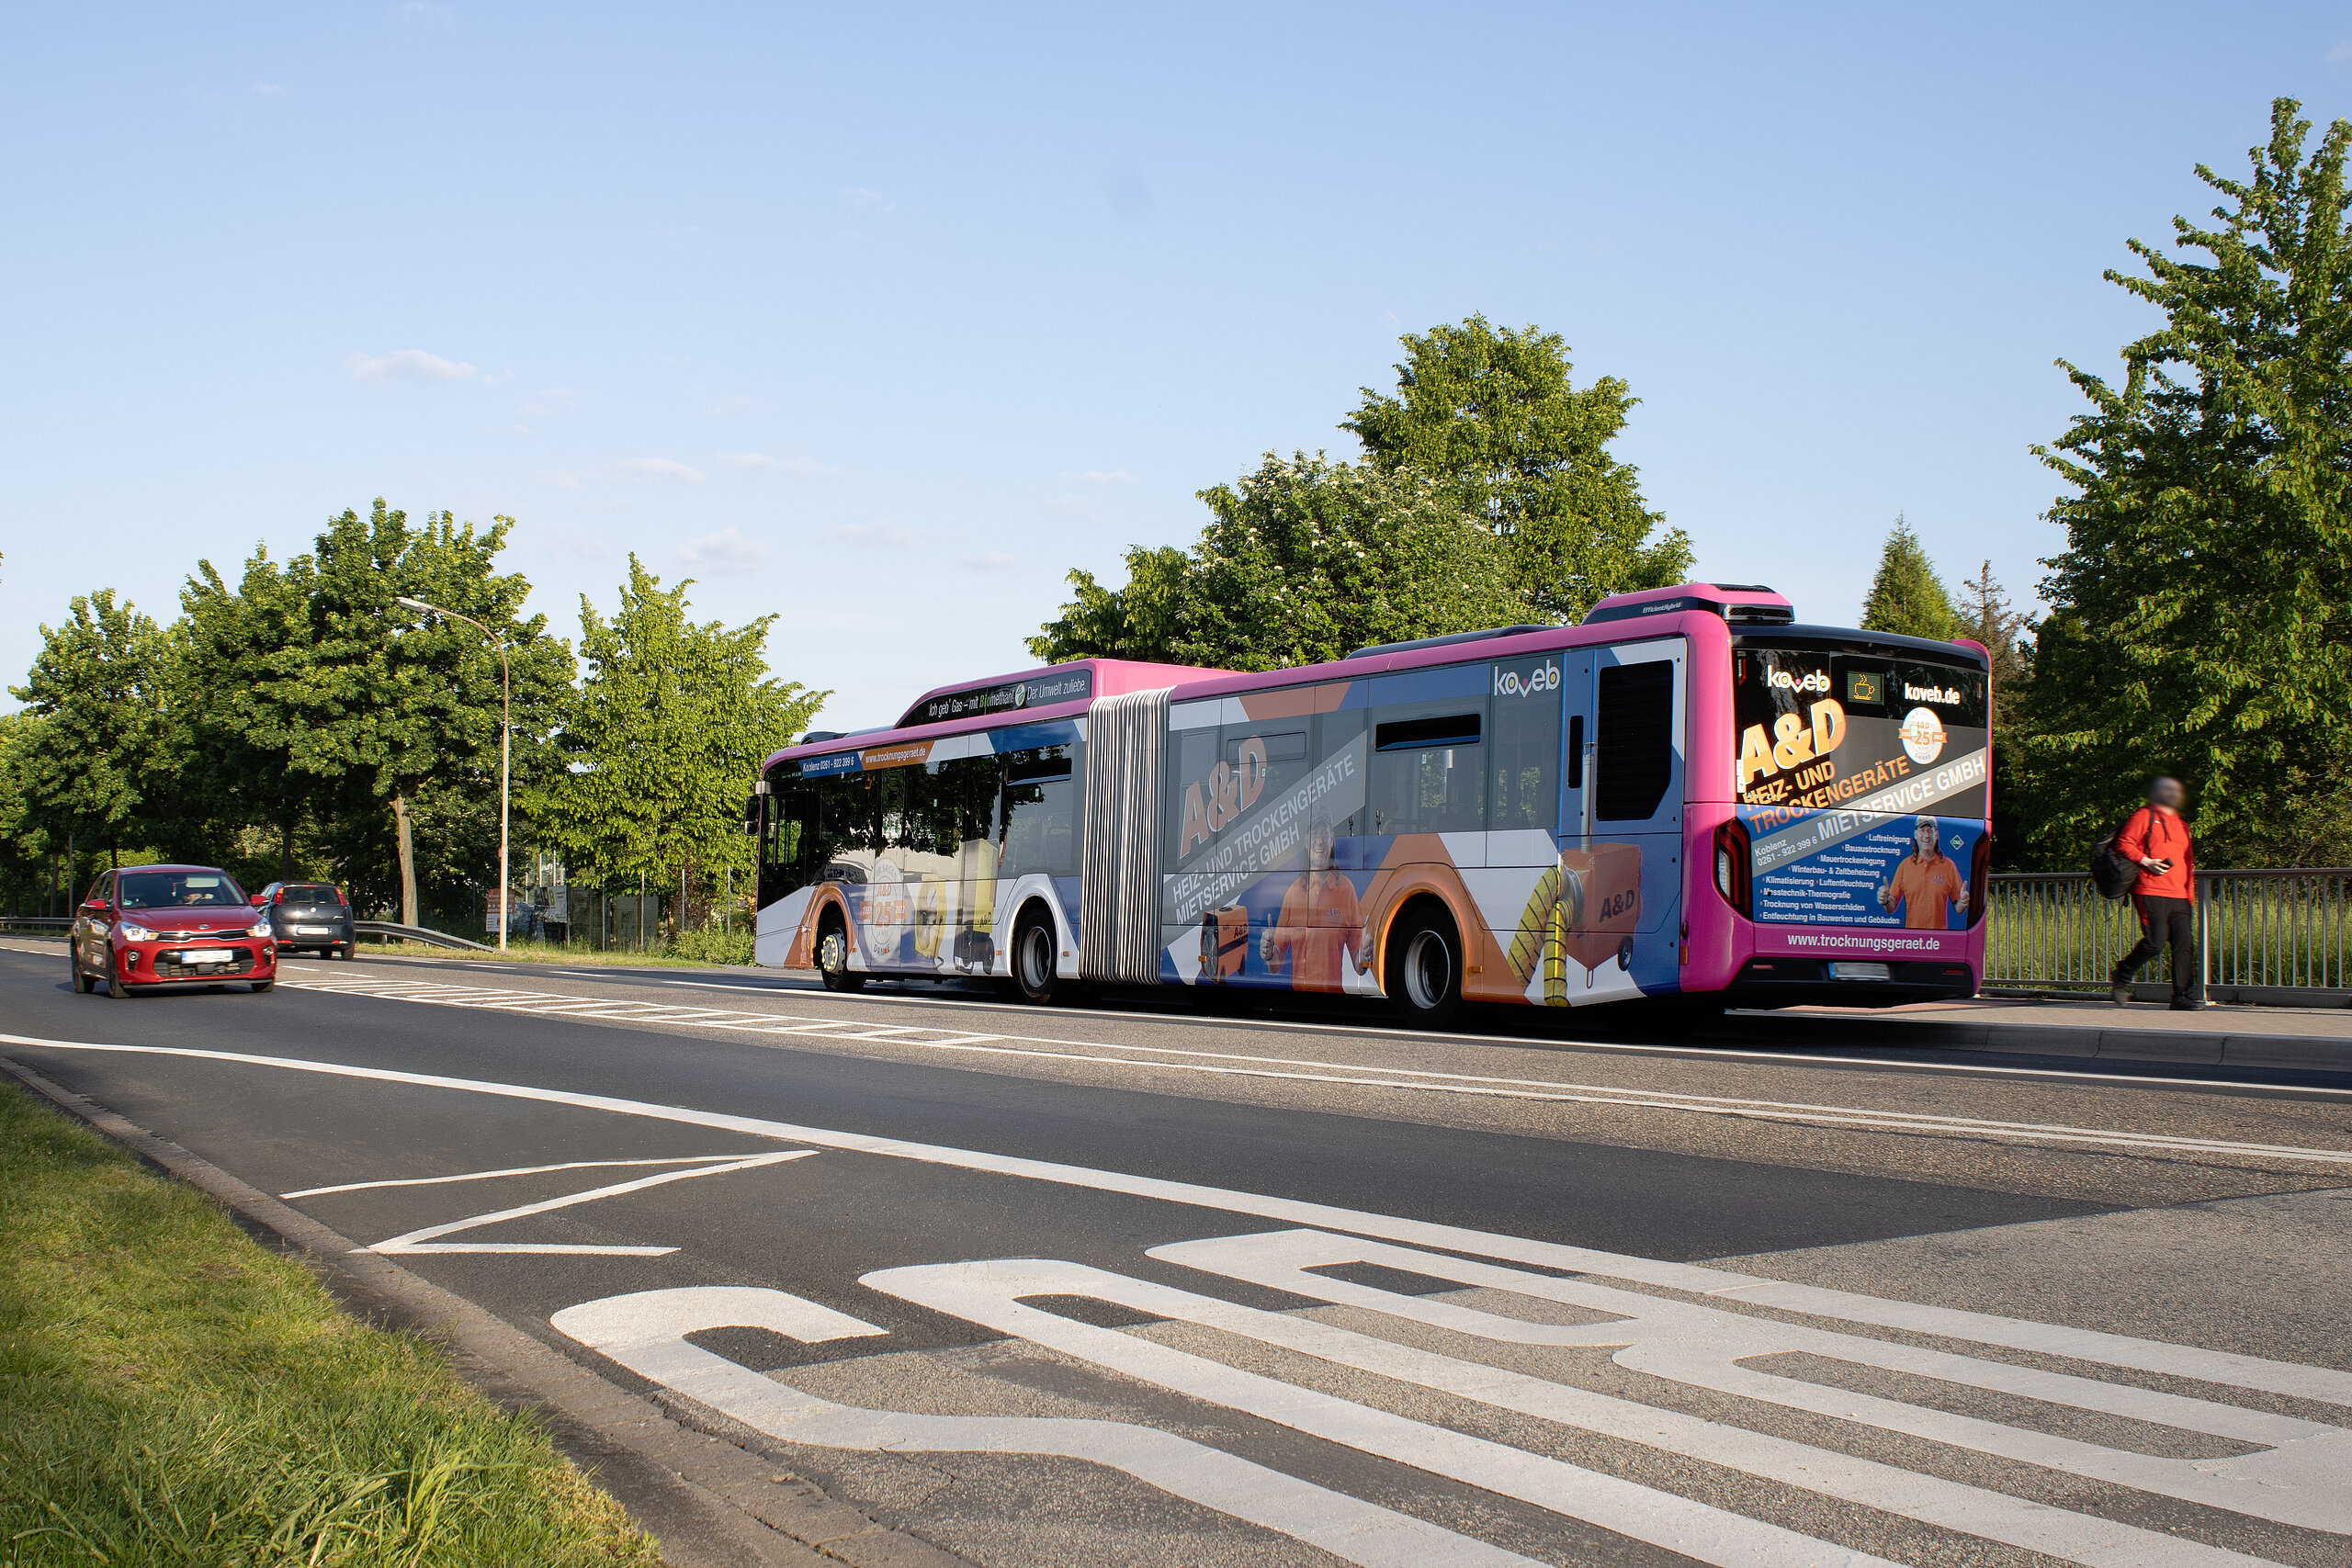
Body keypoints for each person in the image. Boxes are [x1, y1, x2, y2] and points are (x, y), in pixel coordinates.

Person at [2110, 775, 2202, 1010]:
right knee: (2154, 942)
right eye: (2166, 790)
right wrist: (2146, 861)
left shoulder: (2182, 824)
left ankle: (2181, 996)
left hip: (2180, 895)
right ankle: (2123, 973)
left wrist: (2189, 895)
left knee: (2184, 944)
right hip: (2151, 889)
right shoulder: (2144, 816)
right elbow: (2123, 842)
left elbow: (2187, 861)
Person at [1260, 818, 1368, 993]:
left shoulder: (1346, 890)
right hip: (1299, 1003)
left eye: (1324, 833)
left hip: (1334, 1002)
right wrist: (1269, 954)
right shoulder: (1293, 892)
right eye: (1314, 834)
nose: (1319, 840)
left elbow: (1359, 965)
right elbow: (1275, 966)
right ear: (1306, 841)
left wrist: (1365, 955)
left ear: (1331, 840)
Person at [1876, 815, 1968, 929]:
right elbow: (1891, 908)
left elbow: (1958, 908)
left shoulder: (1948, 866)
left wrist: (1963, 903)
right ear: (1915, 834)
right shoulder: (1905, 866)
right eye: (1922, 830)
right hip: (1912, 940)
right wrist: (1885, 901)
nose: (1926, 835)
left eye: (1930, 831)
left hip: (1939, 940)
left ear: (1937, 835)